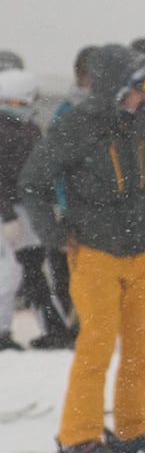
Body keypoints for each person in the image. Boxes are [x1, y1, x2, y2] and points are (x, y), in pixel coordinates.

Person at [21, 44, 145, 453]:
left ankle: (133, 428)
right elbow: (33, 182)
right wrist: (55, 234)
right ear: (113, 86)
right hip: (95, 253)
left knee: (143, 347)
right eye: (141, 83)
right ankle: (79, 436)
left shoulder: (144, 119)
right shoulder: (76, 126)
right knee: (97, 346)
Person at [0, 67, 51, 347]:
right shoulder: (10, 132)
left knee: (31, 269)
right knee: (8, 274)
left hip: (27, 211)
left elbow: (38, 173)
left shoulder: (29, 130)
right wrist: (7, 215)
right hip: (9, 212)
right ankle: (2, 330)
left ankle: (52, 326)